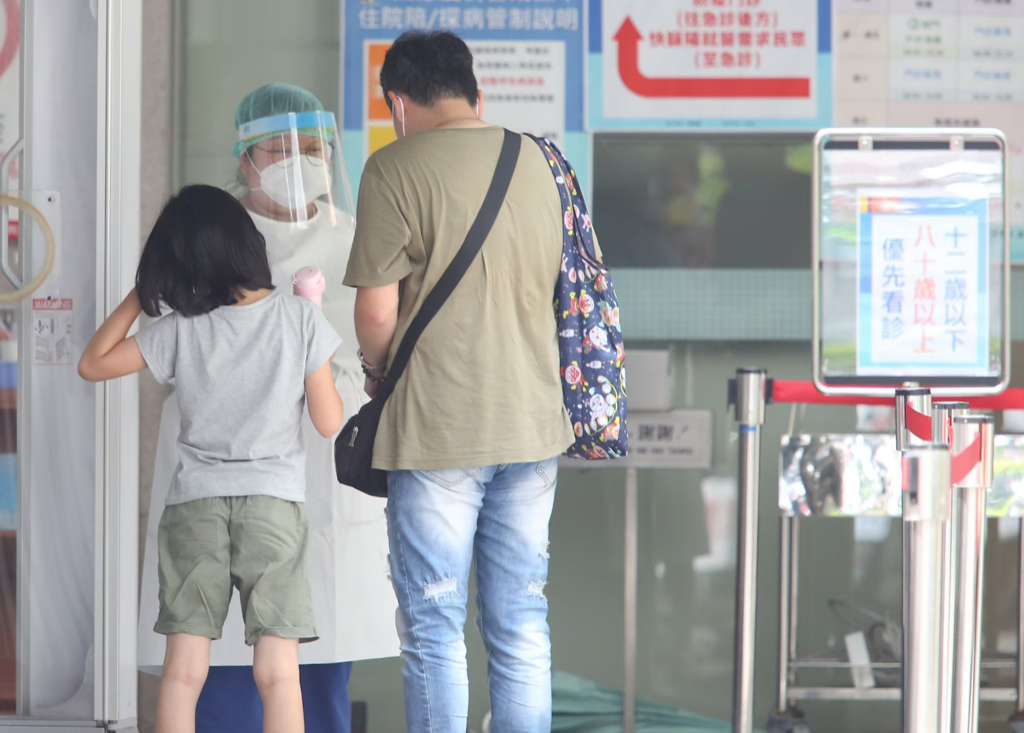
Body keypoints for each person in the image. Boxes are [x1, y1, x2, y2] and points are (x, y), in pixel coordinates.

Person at [137, 84, 398, 733]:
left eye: (312, 147)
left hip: (318, 461)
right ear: (244, 157)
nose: (299, 160)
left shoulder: (353, 238)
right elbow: (161, 325)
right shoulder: (208, 234)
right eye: (280, 148)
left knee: (317, 642)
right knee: (213, 651)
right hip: (217, 461)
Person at [344, 30, 579, 733]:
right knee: (521, 620)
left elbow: (376, 314)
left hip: (437, 428)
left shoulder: (393, 169)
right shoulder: (541, 162)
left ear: (398, 102)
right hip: (531, 424)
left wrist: (376, 370)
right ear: (477, 94)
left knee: (434, 623)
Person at [79, 185, 345, 733]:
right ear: (248, 243)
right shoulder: (300, 318)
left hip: (195, 506)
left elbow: (93, 363)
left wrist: (140, 294)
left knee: (182, 674)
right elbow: (328, 421)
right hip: (273, 507)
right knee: (278, 675)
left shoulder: (182, 327)